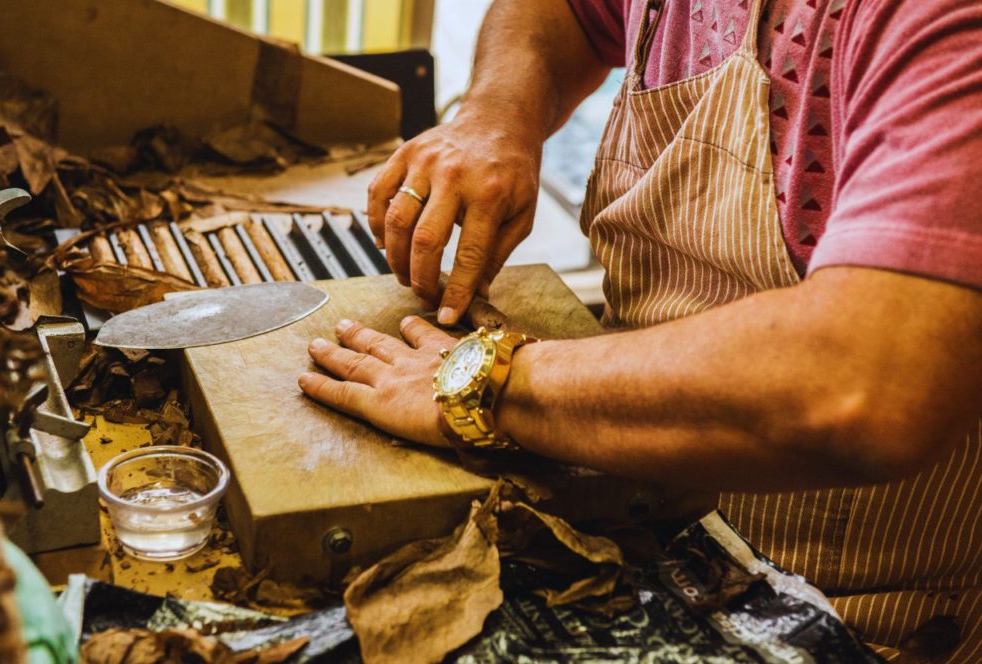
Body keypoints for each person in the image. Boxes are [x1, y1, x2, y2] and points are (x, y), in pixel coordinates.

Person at [298, 0, 982, 658]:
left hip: (846, 610)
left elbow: (866, 381)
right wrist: (497, 113)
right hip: (637, 520)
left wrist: (488, 383)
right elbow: (562, 11)